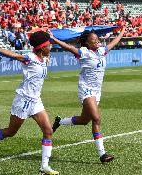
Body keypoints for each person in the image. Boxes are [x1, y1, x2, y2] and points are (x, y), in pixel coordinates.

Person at [0, 31, 59, 175]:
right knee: (11, 132)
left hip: (36, 100)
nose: (50, 47)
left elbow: (46, 56)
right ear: (41, 47)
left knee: (48, 131)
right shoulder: (30, 58)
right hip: (23, 100)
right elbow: (13, 55)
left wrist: (50, 38)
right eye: (48, 45)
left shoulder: (44, 57)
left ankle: (44, 166)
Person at [51, 27, 126, 163]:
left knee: (84, 120)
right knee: (96, 118)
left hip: (96, 92)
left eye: (97, 39)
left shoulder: (102, 51)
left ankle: (59, 121)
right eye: (94, 40)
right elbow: (68, 47)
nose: (97, 41)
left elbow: (113, 43)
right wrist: (54, 39)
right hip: (86, 90)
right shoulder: (84, 52)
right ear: (87, 43)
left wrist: (122, 31)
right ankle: (102, 154)